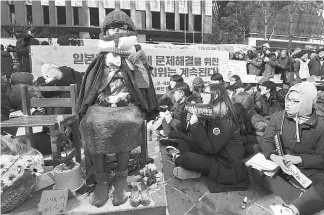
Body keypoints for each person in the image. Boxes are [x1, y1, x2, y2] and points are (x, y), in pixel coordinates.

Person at [76, 9, 158, 207]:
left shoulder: (135, 56)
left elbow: (144, 86)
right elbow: (91, 87)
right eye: (112, 28)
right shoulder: (100, 60)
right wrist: (101, 99)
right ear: (105, 33)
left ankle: (121, 178)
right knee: (90, 123)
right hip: (102, 105)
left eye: (121, 28)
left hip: (128, 106)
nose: (116, 32)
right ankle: (102, 178)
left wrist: (138, 65)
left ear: (129, 32)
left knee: (126, 122)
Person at [250, 82, 324, 215]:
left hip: (305, 169)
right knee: (254, 169)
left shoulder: (322, 127)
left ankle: (294, 208)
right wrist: (275, 157)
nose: (288, 104)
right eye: (288, 99)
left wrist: (299, 159)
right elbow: (266, 141)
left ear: (307, 103)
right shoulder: (278, 117)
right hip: (278, 163)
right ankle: (301, 200)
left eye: (294, 101)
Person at [166, 84, 250, 191]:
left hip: (225, 163)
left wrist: (196, 124)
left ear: (214, 96)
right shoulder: (212, 111)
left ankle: (177, 157)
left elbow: (211, 148)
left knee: (188, 158)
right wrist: (194, 120)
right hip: (214, 152)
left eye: (205, 93)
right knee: (184, 140)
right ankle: (193, 169)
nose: (201, 95)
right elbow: (200, 136)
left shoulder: (224, 118)